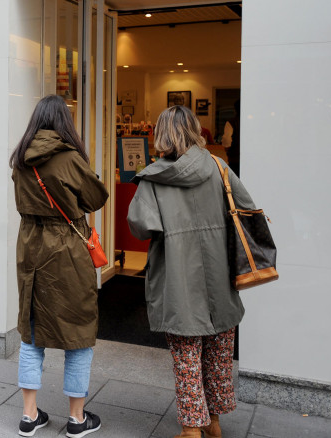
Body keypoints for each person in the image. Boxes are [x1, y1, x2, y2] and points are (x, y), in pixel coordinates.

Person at [127, 106, 255, 438]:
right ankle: (213, 424)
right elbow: (245, 208)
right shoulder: (218, 165)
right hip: (220, 278)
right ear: (195, 129)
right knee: (218, 354)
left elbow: (141, 227)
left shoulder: (154, 176)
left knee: (187, 357)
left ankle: (190, 429)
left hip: (178, 280)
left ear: (163, 134)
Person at [10, 95, 109, 438]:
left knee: (31, 329)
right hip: (67, 248)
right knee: (77, 330)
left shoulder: (19, 158)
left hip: (30, 246)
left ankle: (28, 415)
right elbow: (96, 198)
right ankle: (77, 420)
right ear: (63, 122)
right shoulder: (69, 158)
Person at [220, 100, 240, 176]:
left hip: (235, 159)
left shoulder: (232, 122)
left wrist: (227, 148)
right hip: (251, 159)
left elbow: (226, 140)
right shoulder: (252, 122)